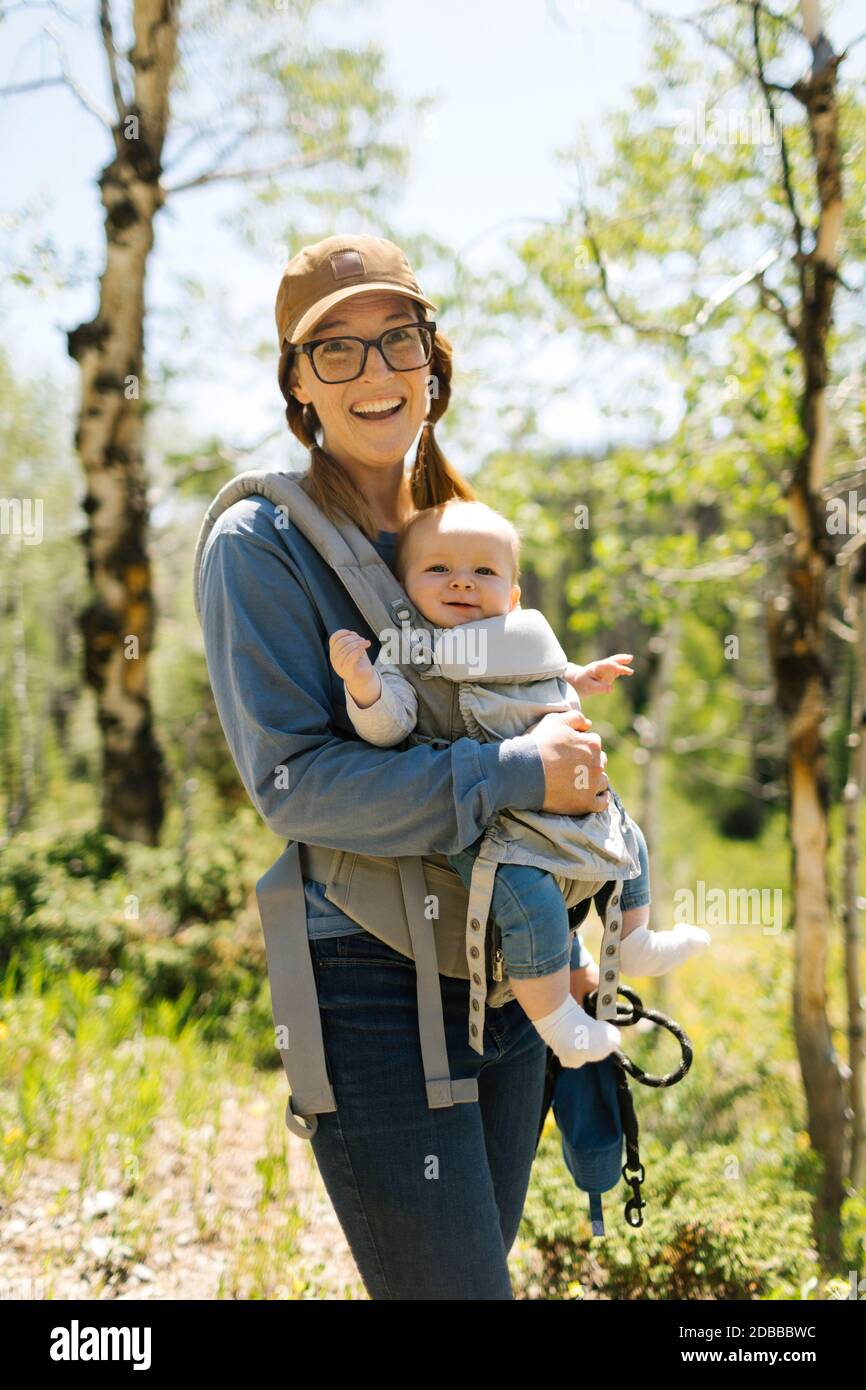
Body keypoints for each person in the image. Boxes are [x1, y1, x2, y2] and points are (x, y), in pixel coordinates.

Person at [199, 233, 622, 1300]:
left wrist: (566, 912)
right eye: (332, 350)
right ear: (295, 383)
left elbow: (526, 712)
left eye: (395, 338)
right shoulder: (259, 544)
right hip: (367, 980)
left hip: (499, 965)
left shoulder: (457, 525)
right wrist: (515, 775)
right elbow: (293, 784)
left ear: (432, 359)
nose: (374, 371)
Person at [329, 496, 710, 1070]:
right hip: (489, 820)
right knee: (529, 902)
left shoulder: (518, 637)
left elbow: (550, 675)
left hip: (567, 792)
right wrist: (363, 685)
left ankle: (633, 937)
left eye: (483, 571)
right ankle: (558, 1021)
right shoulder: (409, 659)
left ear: (512, 598)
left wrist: (583, 675)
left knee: (626, 833)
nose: (462, 582)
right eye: (438, 569)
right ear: (402, 591)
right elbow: (388, 729)